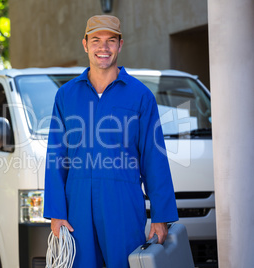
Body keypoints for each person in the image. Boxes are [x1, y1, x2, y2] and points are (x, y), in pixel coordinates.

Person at [43, 15, 179, 267]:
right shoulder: (66, 96)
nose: (103, 48)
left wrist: (161, 216)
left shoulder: (140, 96)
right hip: (77, 207)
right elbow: (56, 157)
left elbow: (154, 159)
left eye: (110, 41)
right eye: (96, 40)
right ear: (85, 44)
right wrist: (56, 212)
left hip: (123, 203)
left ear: (120, 45)